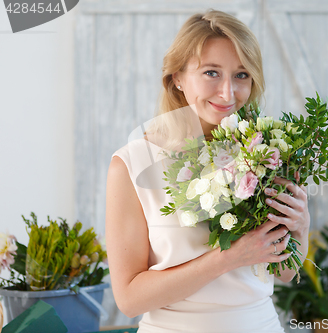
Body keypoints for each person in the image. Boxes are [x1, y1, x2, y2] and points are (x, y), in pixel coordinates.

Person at [105, 9, 310, 333]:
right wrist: (227, 258)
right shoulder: (132, 164)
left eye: (241, 75)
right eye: (212, 73)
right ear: (177, 77)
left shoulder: (267, 152)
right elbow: (129, 299)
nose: (228, 93)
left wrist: (301, 228)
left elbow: (284, 273)